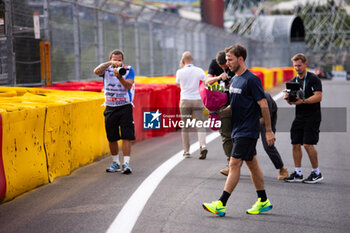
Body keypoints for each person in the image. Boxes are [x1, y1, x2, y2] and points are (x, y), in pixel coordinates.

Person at [202, 44, 275, 217]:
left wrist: (269, 130)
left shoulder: (252, 80)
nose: (227, 63)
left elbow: (263, 104)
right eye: (226, 59)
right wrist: (218, 113)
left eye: (230, 59)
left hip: (248, 130)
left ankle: (221, 203)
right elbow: (233, 106)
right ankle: (263, 200)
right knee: (252, 164)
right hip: (237, 128)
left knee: (234, 164)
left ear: (240, 59)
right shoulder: (233, 78)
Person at [283, 53, 323, 183]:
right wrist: (288, 98)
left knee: (307, 144)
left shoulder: (313, 79)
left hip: (313, 116)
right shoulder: (294, 81)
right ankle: (298, 173)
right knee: (295, 143)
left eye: (299, 65)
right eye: (295, 66)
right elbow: (292, 101)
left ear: (305, 64)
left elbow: (318, 96)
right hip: (299, 116)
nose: (297, 68)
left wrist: (303, 101)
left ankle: (316, 172)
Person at [93, 49, 135, 174]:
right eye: (114, 60)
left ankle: (126, 164)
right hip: (110, 107)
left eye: (119, 60)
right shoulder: (106, 69)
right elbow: (96, 71)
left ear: (123, 60)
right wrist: (109, 63)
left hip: (125, 106)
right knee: (112, 137)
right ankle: (115, 162)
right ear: (111, 59)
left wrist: (120, 77)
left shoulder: (128, 70)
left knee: (126, 136)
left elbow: (128, 86)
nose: (117, 63)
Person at [205, 51, 235, 176]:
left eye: (226, 65)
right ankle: (231, 165)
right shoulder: (214, 64)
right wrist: (218, 77)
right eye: (222, 65)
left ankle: (244, 161)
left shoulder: (234, 64)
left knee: (240, 136)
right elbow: (207, 81)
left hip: (237, 101)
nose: (225, 67)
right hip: (222, 105)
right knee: (226, 135)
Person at [176, 51, 208, 159]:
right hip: (197, 100)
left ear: (183, 60)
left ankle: (186, 151)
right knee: (200, 124)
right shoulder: (199, 70)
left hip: (185, 100)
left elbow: (178, 84)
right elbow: (206, 82)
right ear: (192, 59)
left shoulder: (179, 72)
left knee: (185, 126)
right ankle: (203, 146)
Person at [260, 92, 289, 180]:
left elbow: (266, 117)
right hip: (252, 117)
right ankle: (233, 166)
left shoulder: (265, 97)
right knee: (243, 141)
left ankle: (282, 169)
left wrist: (269, 131)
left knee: (268, 145)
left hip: (268, 117)